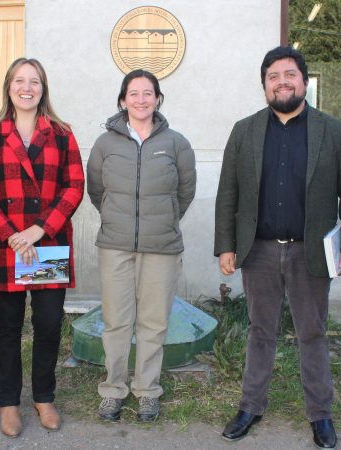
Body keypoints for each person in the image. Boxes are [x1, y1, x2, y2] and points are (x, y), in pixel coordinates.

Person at [213, 46, 341, 448]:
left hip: (310, 252)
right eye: (273, 76)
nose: (282, 82)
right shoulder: (244, 131)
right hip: (258, 250)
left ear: (304, 80)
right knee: (261, 330)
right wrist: (226, 245)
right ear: (264, 85)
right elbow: (228, 192)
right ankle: (250, 406)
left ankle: (321, 414)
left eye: (290, 74)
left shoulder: (332, 131)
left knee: (312, 332)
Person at [0, 57, 84, 438]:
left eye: (34, 81)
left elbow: (74, 186)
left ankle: (44, 396)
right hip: (7, 246)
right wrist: (10, 233)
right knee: (8, 327)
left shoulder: (62, 133)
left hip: (44, 244)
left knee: (49, 324)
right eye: (20, 80)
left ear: (43, 88)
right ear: (9, 87)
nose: (27, 87)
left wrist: (39, 229)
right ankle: (8, 403)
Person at [87, 69, 196, 423]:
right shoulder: (105, 144)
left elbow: (185, 192)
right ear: (123, 100)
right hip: (115, 245)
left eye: (148, 93)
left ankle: (147, 390)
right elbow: (96, 190)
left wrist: (161, 220)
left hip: (161, 246)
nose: (141, 99)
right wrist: (117, 219)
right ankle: (113, 389)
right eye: (133, 93)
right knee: (117, 321)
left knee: (153, 322)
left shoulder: (176, 143)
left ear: (158, 99)